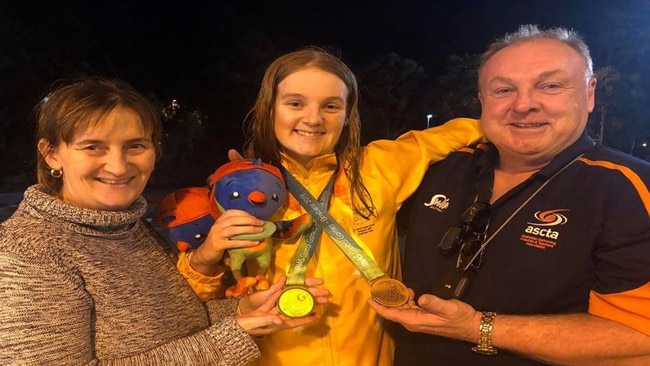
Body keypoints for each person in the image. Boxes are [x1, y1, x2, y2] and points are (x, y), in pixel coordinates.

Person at [370, 24, 650, 365]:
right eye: (503, 90)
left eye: (549, 86)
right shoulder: (437, 168)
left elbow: (639, 339)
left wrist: (478, 327)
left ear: (589, 93)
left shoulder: (628, 189)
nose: (523, 104)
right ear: (482, 100)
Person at [183, 47, 483, 366]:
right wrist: (203, 259)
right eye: (295, 103)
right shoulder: (240, 187)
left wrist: (506, 126)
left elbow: (446, 136)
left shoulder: (378, 166)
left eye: (330, 106)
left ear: (347, 113)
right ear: (270, 108)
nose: (313, 119)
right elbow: (190, 309)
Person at [0, 77, 329, 366]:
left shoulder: (127, 226)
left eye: (135, 146)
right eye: (93, 147)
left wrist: (244, 310)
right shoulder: (28, 253)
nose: (118, 166)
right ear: (52, 154)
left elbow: (176, 323)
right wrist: (232, 337)